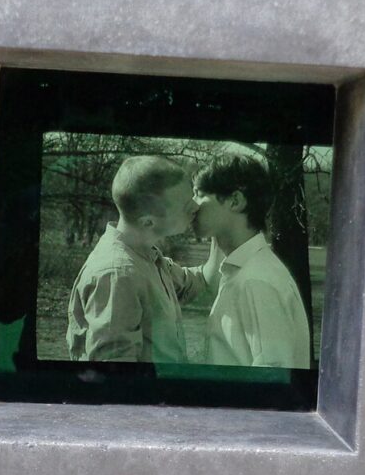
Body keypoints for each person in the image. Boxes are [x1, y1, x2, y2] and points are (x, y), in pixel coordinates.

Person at [67, 156, 220, 363]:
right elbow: (115, 373)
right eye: (186, 206)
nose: (196, 207)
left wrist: (219, 229)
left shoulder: (145, 255)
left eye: (192, 196)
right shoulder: (117, 276)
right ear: (148, 222)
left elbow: (200, 283)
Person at [192, 154, 311, 369]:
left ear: (235, 201)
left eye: (199, 194)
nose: (192, 205)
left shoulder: (256, 280)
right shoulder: (244, 271)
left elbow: (271, 377)